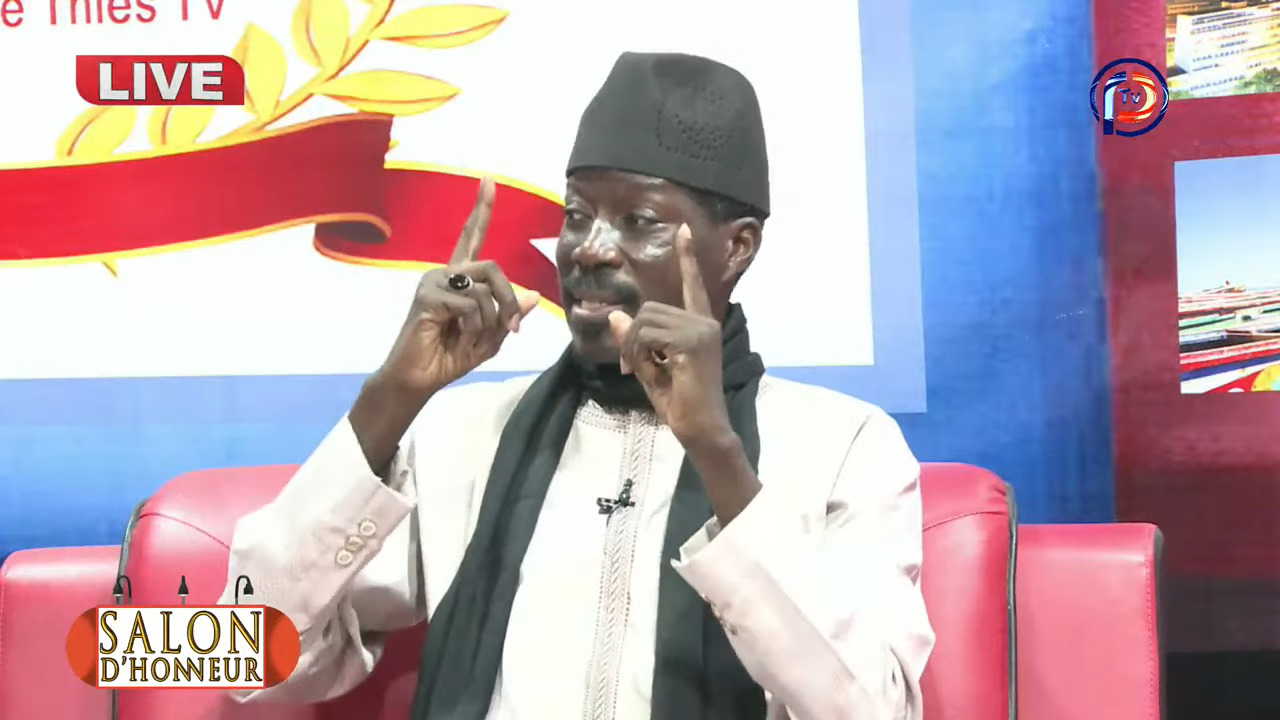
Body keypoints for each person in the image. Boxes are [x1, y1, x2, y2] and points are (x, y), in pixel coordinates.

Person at [219, 51, 934, 720]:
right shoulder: (466, 433)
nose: (589, 249)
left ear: (736, 246)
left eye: (638, 221)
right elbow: (242, 657)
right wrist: (391, 399)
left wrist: (718, 454)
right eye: (576, 216)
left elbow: (875, 709)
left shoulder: (844, 445)